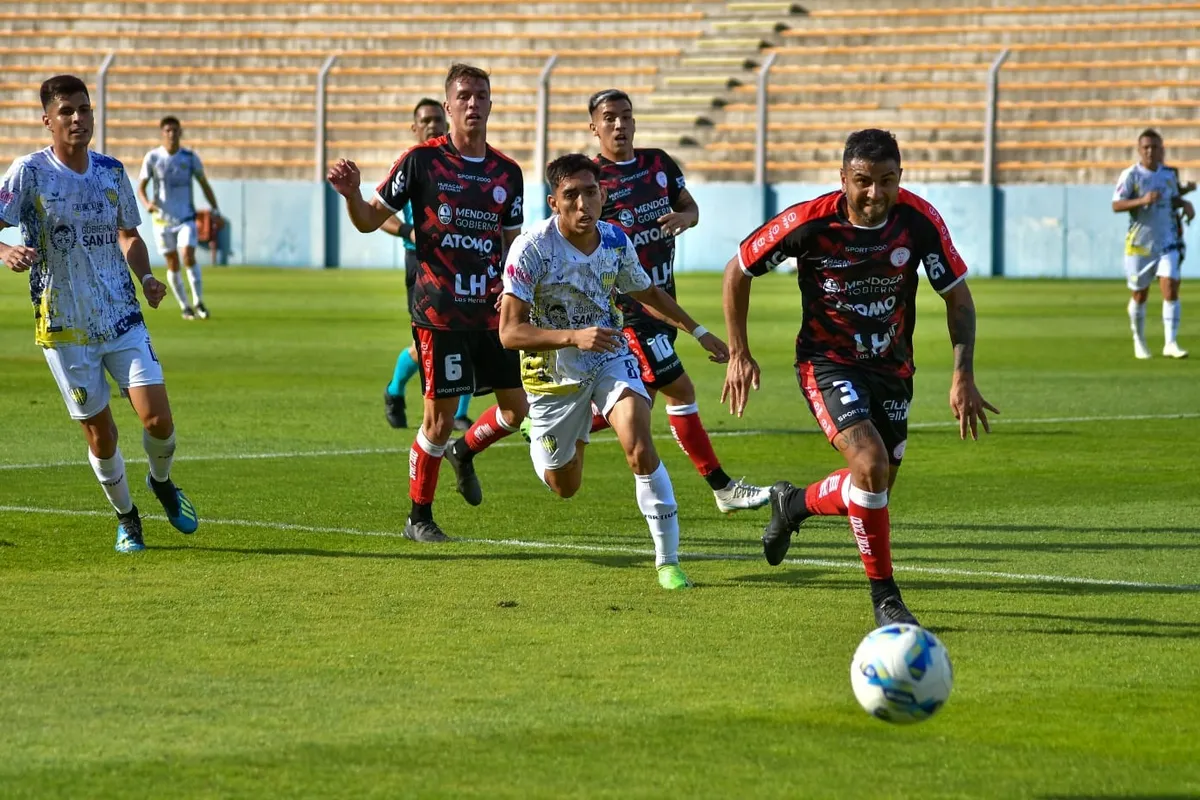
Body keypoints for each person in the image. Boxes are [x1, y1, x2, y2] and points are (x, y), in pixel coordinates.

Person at [721, 129, 998, 627]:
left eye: (887, 181)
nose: (876, 194)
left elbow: (957, 297)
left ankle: (792, 503)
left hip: (893, 368)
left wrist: (963, 376)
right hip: (827, 363)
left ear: (900, 178)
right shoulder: (809, 221)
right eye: (863, 182)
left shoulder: (918, 221)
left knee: (875, 485)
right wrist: (739, 351)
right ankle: (885, 598)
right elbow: (738, 269)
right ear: (843, 178)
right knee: (868, 464)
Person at [500, 154, 730, 589]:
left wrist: (699, 331)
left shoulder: (615, 240)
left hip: (609, 354)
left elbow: (646, 292)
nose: (584, 204)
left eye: (591, 192)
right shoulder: (532, 248)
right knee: (565, 485)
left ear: (603, 194)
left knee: (639, 443)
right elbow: (509, 333)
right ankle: (542, 432)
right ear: (554, 202)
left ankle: (668, 561)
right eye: (572, 195)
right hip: (553, 374)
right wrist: (572, 337)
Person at [328, 63, 527, 543]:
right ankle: (419, 516)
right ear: (448, 106)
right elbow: (368, 220)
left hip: (492, 314)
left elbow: (513, 246)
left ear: (491, 104)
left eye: (481, 95)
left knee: (515, 410)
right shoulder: (420, 161)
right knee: (437, 420)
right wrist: (354, 194)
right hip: (440, 313)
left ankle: (466, 452)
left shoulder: (508, 173)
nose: (473, 104)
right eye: (464, 96)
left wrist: (515, 296)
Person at [0, 75, 199, 552]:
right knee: (102, 434)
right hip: (65, 325)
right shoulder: (29, 173)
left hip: (121, 314)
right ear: (47, 120)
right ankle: (127, 518)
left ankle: (161, 480)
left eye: (84, 109)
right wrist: (4, 250)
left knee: (158, 421)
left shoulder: (111, 172)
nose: (77, 118)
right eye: (66, 111)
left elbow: (128, 235)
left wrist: (147, 277)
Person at [584, 88, 769, 513]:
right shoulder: (593, 182)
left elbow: (690, 206)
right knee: (679, 389)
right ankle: (722, 488)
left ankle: (545, 420)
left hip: (664, 304)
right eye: (609, 117)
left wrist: (686, 217)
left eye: (626, 116)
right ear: (593, 126)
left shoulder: (658, 164)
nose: (619, 124)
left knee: (635, 400)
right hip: (627, 313)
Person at [380, 98, 472, 433]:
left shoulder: (461, 164)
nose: (432, 125)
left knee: (470, 334)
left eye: (437, 119)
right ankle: (394, 390)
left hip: (463, 262)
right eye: (425, 120)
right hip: (420, 265)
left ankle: (460, 412)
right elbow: (380, 214)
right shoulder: (411, 165)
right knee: (428, 344)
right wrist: (409, 231)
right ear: (415, 127)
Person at [1112, 129, 1194, 359]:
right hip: (1140, 245)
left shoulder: (1168, 174)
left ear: (1161, 150)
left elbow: (1170, 199)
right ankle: (1139, 339)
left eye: (1155, 147)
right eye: (1146, 147)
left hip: (1167, 241)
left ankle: (1171, 342)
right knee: (1140, 295)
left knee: (1171, 286)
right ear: (1139, 150)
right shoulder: (1130, 175)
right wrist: (1142, 200)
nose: (1150, 151)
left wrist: (1184, 203)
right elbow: (1116, 205)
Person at [137, 116, 220, 321]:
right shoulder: (153, 157)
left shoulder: (190, 157)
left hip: (186, 218)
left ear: (180, 132)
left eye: (175, 130)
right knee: (173, 263)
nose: (172, 134)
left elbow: (203, 183)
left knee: (188, 256)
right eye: (168, 131)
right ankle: (185, 306)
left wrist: (215, 208)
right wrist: (147, 204)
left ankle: (199, 301)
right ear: (162, 133)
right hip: (163, 221)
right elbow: (141, 187)